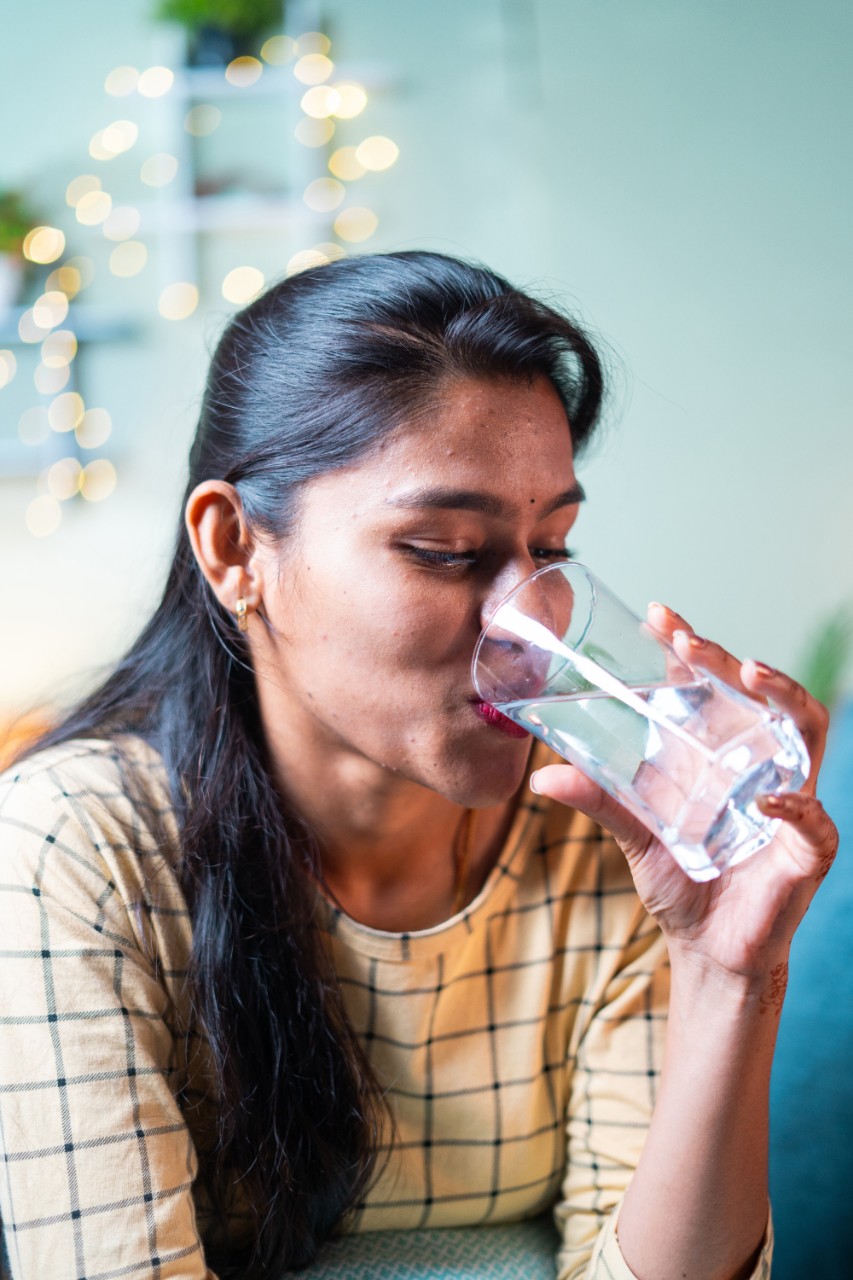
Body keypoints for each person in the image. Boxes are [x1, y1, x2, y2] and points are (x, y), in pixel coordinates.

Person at [0, 251, 836, 1280]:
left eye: (552, 548)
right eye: (445, 549)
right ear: (234, 549)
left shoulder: (613, 837)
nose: (532, 626)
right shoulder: (69, 853)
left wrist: (725, 976)